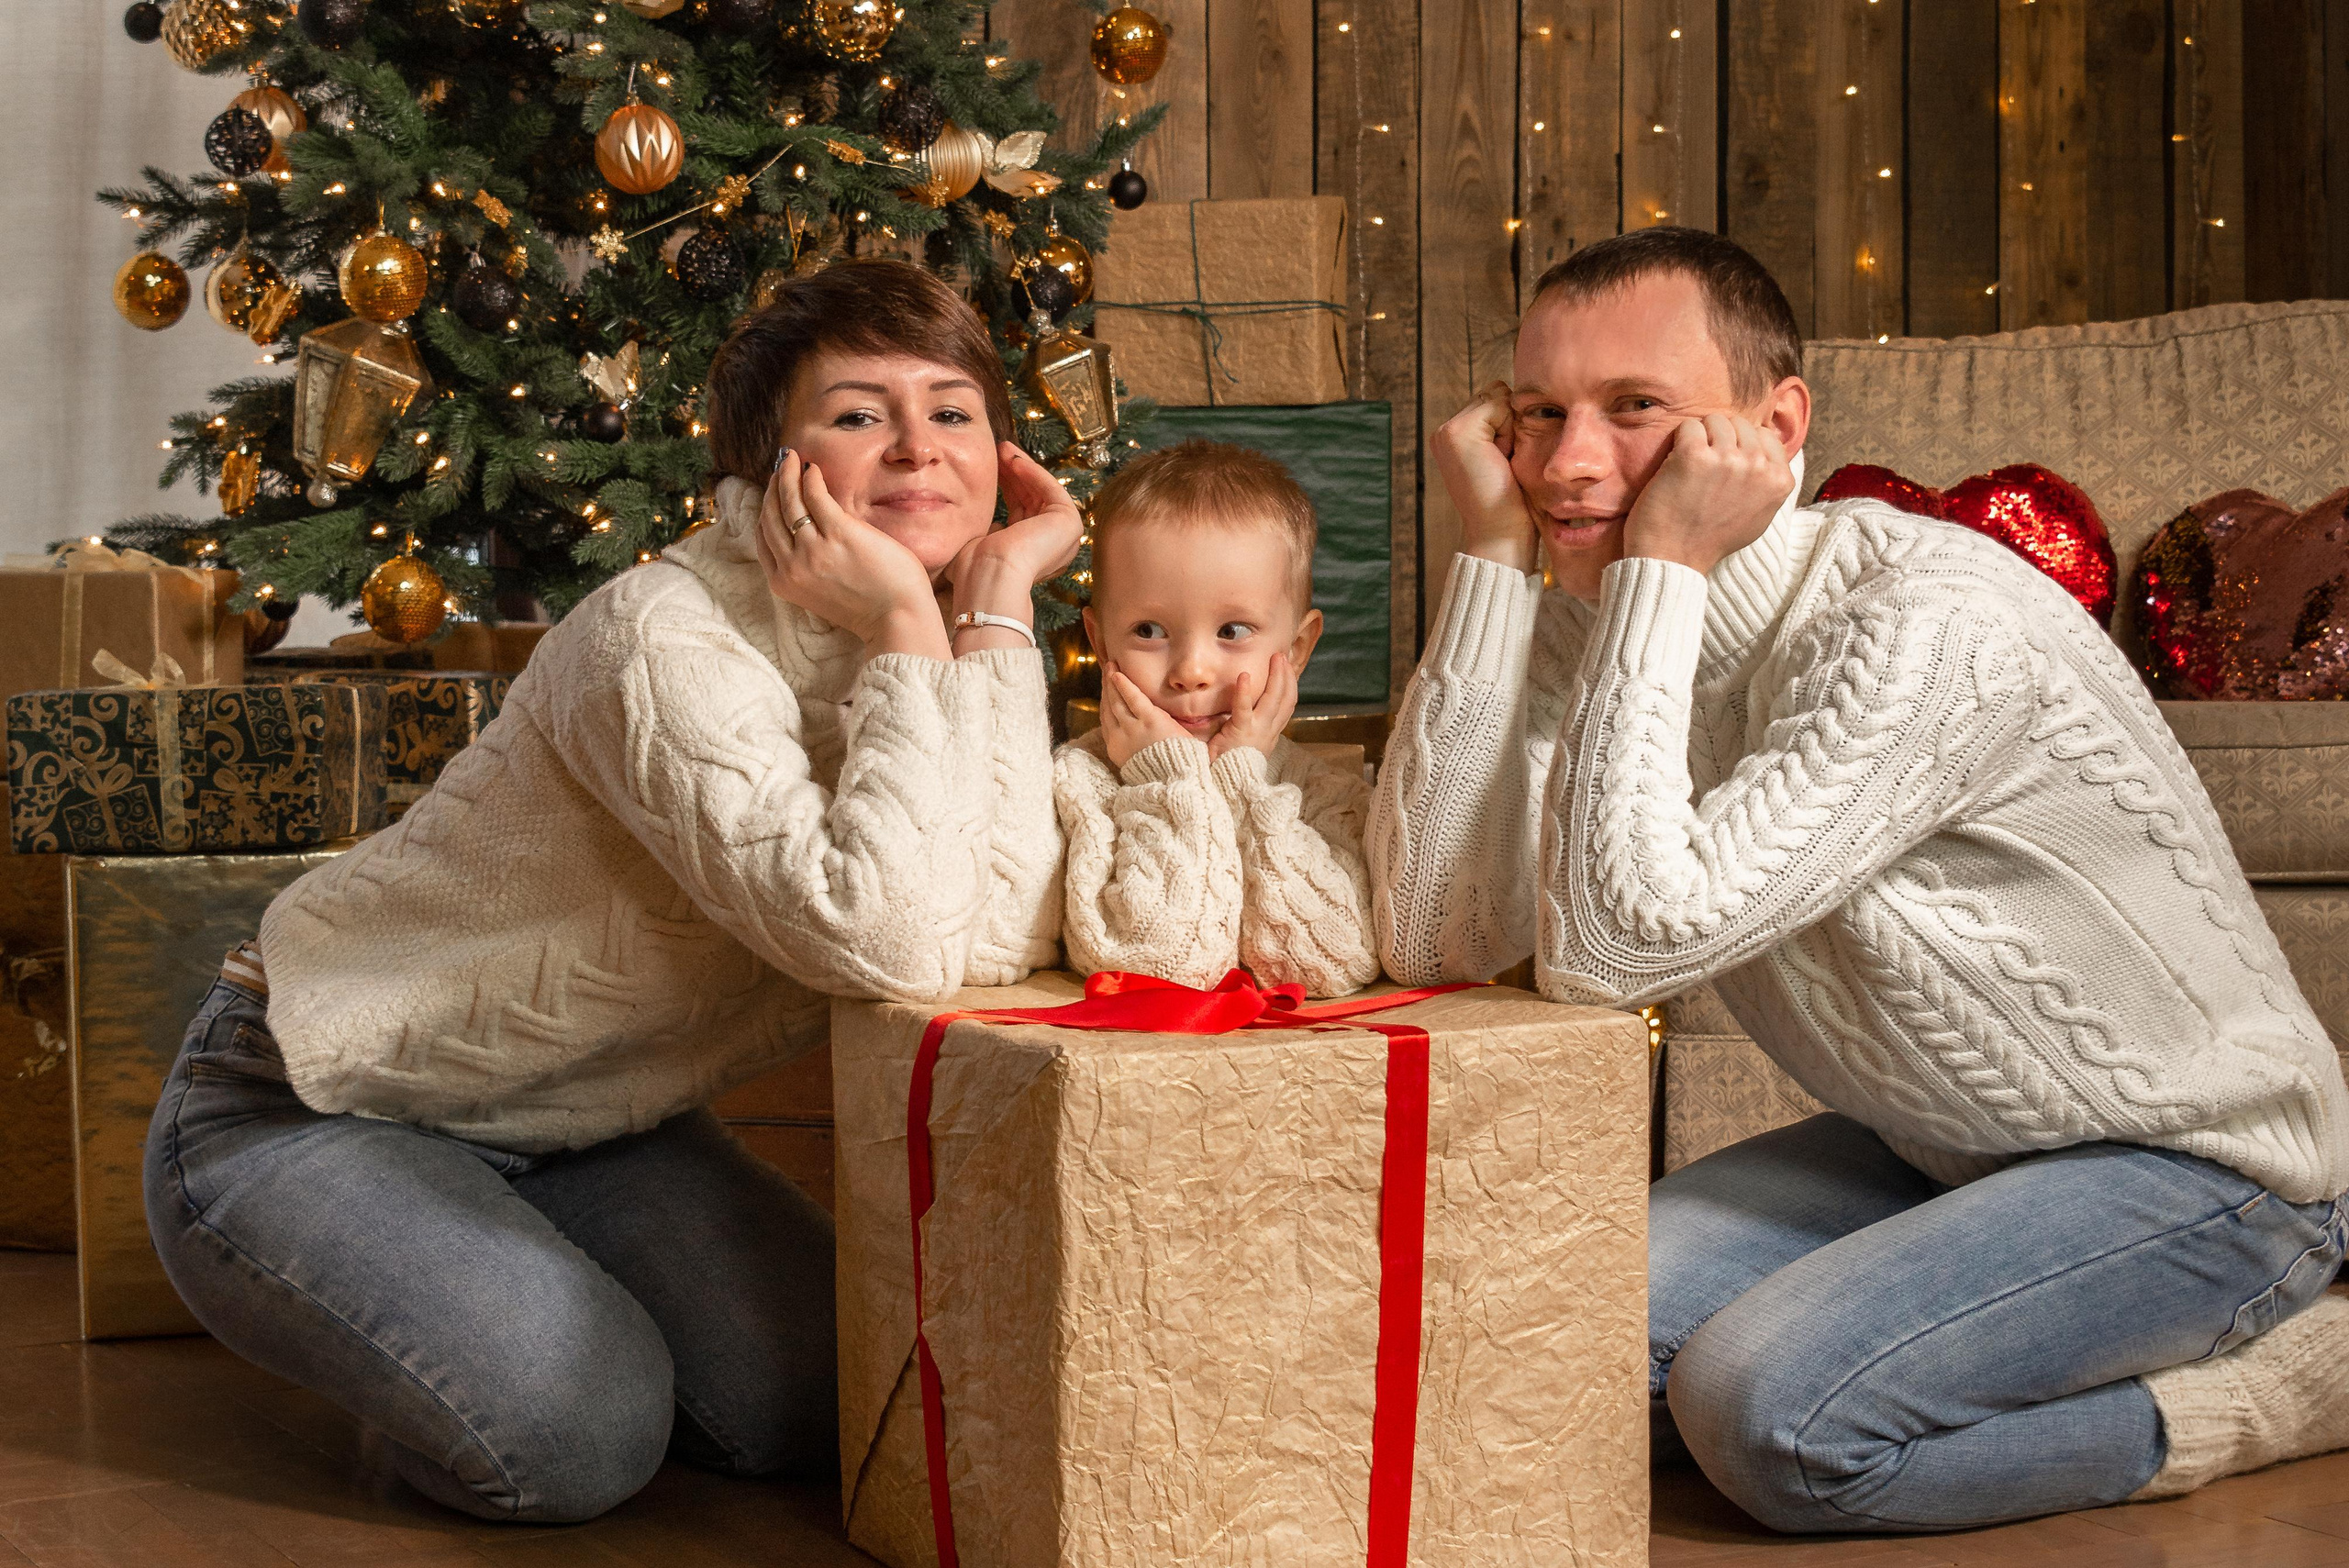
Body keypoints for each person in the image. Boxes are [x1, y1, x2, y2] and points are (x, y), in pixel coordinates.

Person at [1369, 226, 2349, 1532]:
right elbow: (1434, 932)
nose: (1568, 464)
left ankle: (2278, 1388)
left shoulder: (1920, 619)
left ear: (1775, 430)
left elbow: (1617, 953)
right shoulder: (1600, 613)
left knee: (1766, 1417)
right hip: (1940, 1150)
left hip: (2201, 1165)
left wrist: (1660, 565)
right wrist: (1491, 560)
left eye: (1635, 409)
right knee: (1503, 1337)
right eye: (1537, 415)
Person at [142, 260, 1079, 1524]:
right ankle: (405, 1314)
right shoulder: (661, 632)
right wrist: (920, 631)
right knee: (578, 1437)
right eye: (859, 412)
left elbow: (1001, 934)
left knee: (832, 1392)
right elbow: (892, 939)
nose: (919, 445)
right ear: (772, 466)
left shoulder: (936, 627)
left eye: (954, 410)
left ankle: (496, 1279)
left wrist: (1000, 609)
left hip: (587, 1124)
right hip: (311, 1099)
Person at [1054, 439, 1377, 997]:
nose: (1191, 672)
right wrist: (1166, 782)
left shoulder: (1324, 793)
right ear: (1100, 644)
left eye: (1232, 631)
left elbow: (1337, 963)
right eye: (1149, 632)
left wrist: (1245, 785)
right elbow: (1155, 971)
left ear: (1297, 650)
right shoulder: (1076, 786)